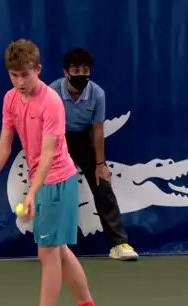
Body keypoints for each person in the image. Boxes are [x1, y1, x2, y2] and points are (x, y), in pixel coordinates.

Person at [0, 39, 108, 306]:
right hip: (42, 182)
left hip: (56, 181)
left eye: (25, 74)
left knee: (47, 253)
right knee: (59, 250)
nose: (20, 81)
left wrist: (32, 193)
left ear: (37, 69)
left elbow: (49, 153)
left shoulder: (51, 102)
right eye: (13, 75)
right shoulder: (10, 99)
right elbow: (4, 144)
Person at [49, 48, 138, 261]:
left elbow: (98, 129)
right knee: (54, 189)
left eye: (85, 70)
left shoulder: (97, 93)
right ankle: (53, 245)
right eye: (76, 69)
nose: (81, 74)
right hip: (57, 138)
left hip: (84, 138)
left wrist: (100, 163)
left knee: (103, 185)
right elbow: (48, 126)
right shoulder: (52, 92)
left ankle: (118, 244)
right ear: (66, 72)